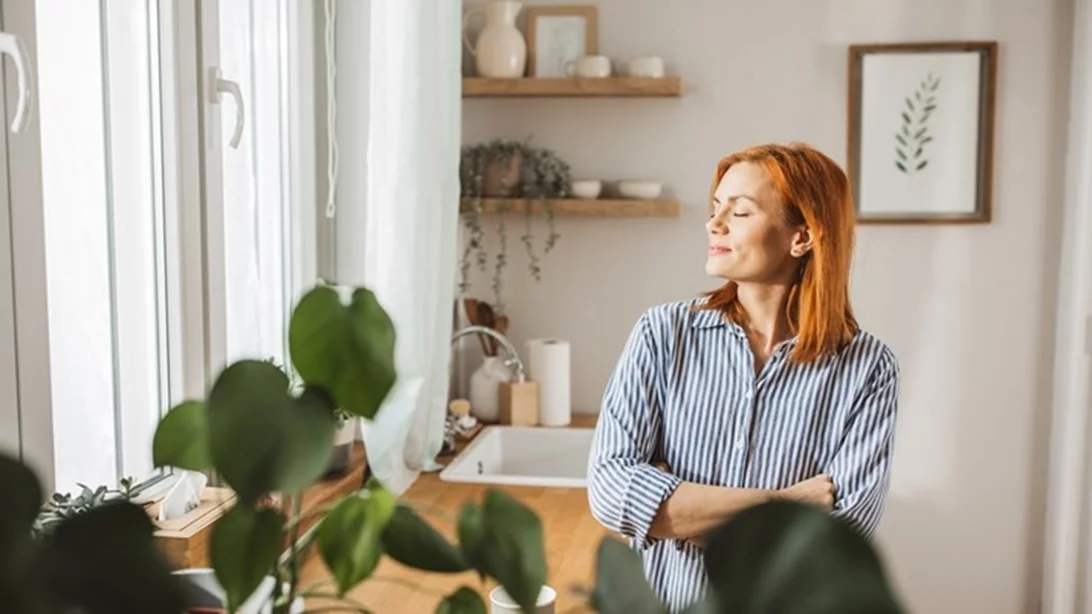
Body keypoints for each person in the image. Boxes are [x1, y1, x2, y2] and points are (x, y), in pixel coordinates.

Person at [586, 142, 901, 612]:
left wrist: (679, 512)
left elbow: (836, 543)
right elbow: (612, 493)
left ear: (802, 237)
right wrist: (785, 501)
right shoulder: (662, 335)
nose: (714, 224)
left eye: (741, 212)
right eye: (716, 209)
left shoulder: (868, 369)